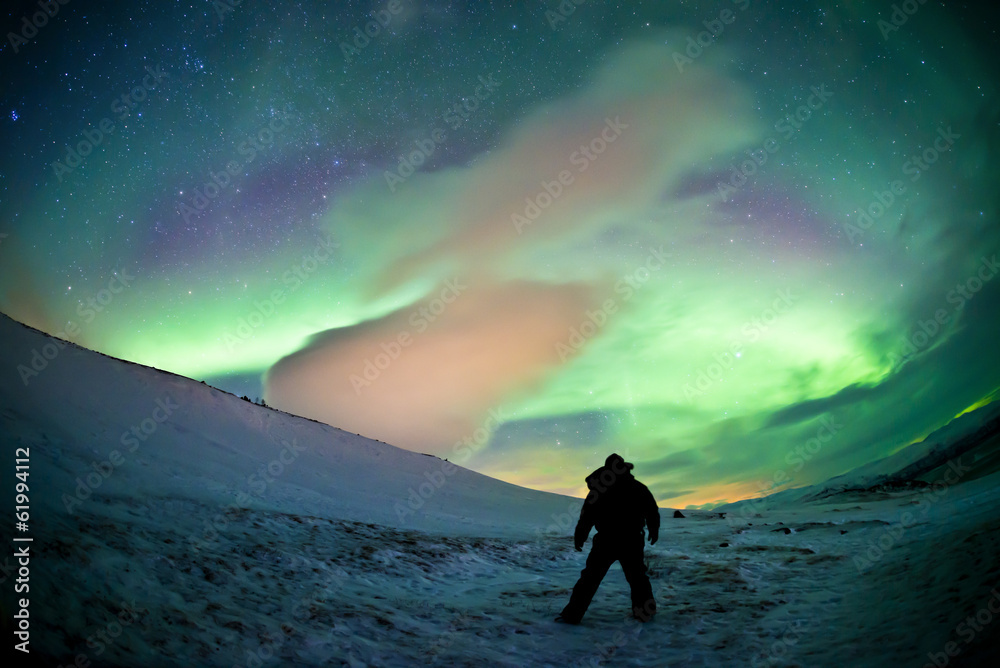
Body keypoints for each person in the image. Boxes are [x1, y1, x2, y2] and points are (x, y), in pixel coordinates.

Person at [557, 453, 660, 624]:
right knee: (635, 578)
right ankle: (644, 614)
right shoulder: (636, 487)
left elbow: (586, 516)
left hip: (611, 540)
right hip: (626, 540)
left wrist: (580, 535)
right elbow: (651, 511)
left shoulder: (601, 488)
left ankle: (572, 615)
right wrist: (653, 530)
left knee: (592, 578)